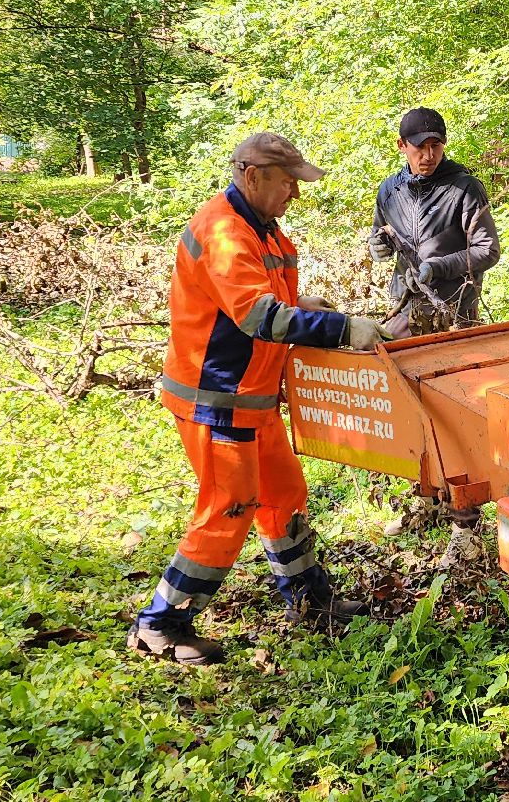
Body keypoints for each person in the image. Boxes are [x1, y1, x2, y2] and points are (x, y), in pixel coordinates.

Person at [130, 131, 393, 665]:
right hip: (217, 399)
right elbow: (256, 316)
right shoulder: (225, 232)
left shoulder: (263, 229)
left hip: (252, 397)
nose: (295, 192)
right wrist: (342, 329)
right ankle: (162, 624)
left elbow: (269, 299)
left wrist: (307, 304)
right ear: (252, 176)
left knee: (285, 495)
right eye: (288, 181)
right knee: (228, 510)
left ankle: (307, 598)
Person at [367, 108, 501, 335]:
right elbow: (381, 236)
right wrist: (377, 248)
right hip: (408, 308)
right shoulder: (390, 191)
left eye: (435, 146)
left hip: (456, 311)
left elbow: (488, 250)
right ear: (402, 145)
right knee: (382, 359)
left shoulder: (464, 188)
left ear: (444, 143)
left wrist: (436, 267)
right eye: (420, 147)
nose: (429, 156)